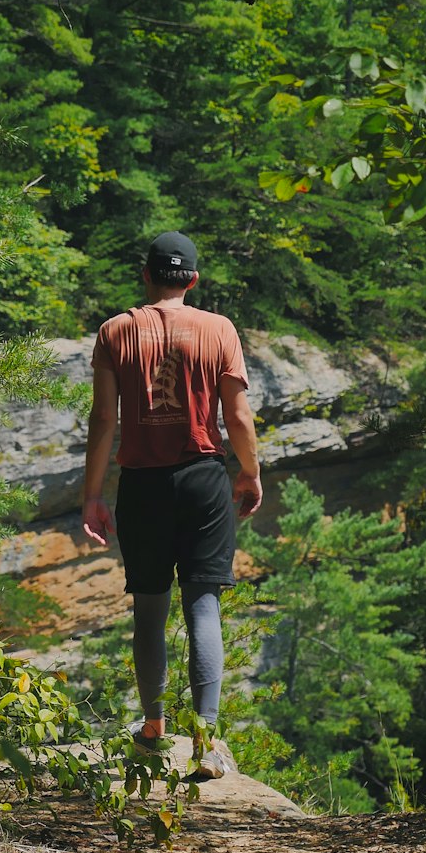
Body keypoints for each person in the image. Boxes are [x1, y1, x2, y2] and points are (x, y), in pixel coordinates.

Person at [82, 230, 262, 777]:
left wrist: (92, 494)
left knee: (150, 610)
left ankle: (155, 728)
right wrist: (250, 473)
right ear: (194, 279)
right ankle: (205, 742)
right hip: (204, 478)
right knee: (203, 606)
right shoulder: (219, 329)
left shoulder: (116, 331)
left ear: (146, 276)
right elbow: (237, 417)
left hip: (142, 485)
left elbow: (104, 420)